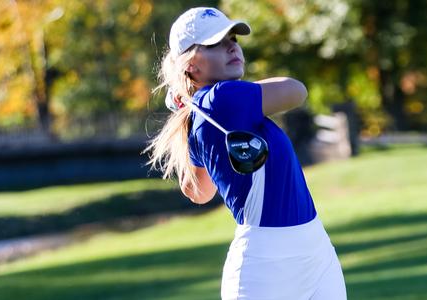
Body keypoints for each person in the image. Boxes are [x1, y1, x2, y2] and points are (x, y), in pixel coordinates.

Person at [145, 7, 347, 300]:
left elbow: (199, 192)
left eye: (233, 39)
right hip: (266, 264)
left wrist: (189, 112)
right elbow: (296, 90)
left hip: (314, 249)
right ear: (190, 65)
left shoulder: (209, 113)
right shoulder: (221, 98)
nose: (231, 46)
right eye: (215, 42)